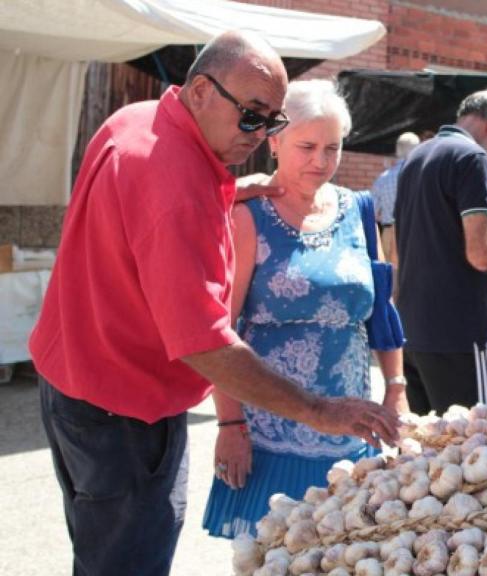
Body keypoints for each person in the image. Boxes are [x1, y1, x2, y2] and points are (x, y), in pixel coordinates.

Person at [29, 32, 399, 576]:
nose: (260, 134)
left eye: (272, 121)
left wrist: (227, 190)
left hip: (73, 383)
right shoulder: (177, 187)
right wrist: (320, 410)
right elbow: (205, 340)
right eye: (251, 116)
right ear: (201, 89)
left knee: (100, 548)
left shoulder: (139, 118)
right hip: (124, 408)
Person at [202, 80, 409, 538]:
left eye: (332, 148)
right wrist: (230, 422)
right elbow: (218, 331)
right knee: (273, 557)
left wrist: (395, 384)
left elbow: (380, 309)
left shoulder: (359, 209)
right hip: (270, 435)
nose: (321, 161)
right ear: (274, 141)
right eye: (307, 146)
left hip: (350, 432)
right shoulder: (246, 215)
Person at [394, 89, 487, 415]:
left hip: (413, 329)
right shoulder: (472, 157)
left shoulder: (415, 157)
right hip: (459, 333)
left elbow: (415, 245)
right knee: (477, 438)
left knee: (428, 449)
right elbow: (482, 254)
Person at [371, 131, 420, 269]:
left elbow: (373, 212)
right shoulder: (423, 177)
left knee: (391, 276)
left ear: (397, 150)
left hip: (388, 233)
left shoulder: (383, 178)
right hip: (416, 232)